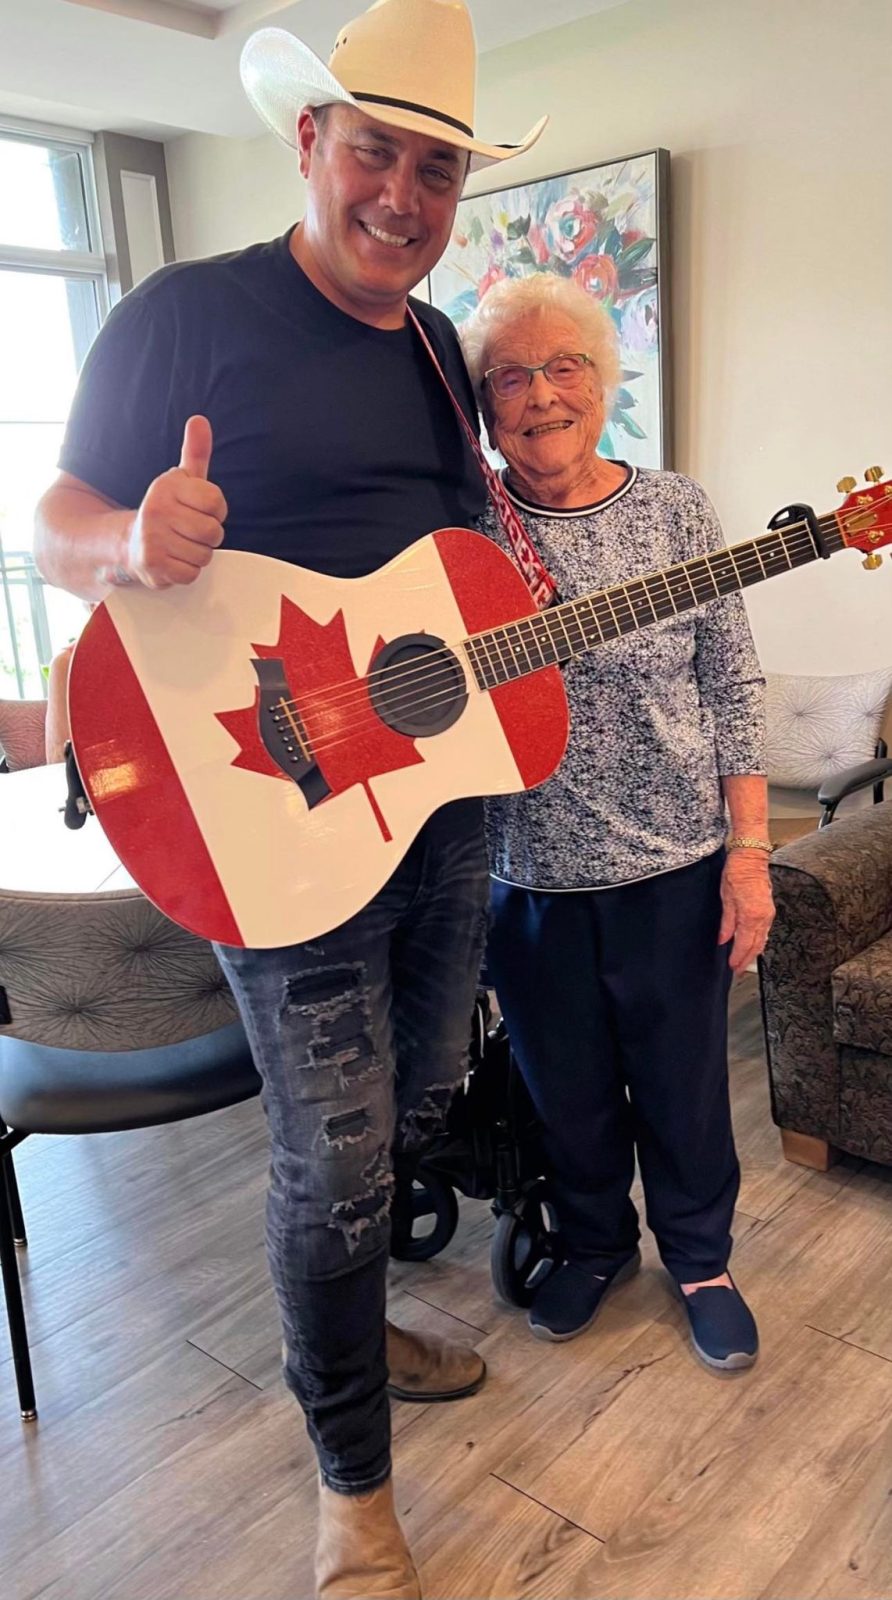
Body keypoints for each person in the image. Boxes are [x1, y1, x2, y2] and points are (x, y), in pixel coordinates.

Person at [32, 4, 546, 1595]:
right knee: (331, 1157)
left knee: (414, 1108)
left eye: (438, 170)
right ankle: (352, 1491)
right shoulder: (185, 316)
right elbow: (52, 521)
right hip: (272, 805)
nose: (404, 195)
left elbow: (441, 581)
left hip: (437, 800)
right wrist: (129, 544)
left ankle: (354, 1324)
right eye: (376, 152)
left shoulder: (438, 349)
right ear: (308, 143)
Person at [460, 274, 774, 1369]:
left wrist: (750, 856)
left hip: (673, 867)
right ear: (484, 406)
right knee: (567, 1092)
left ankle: (699, 1257)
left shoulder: (676, 511)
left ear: (603, 382)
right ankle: (592, 1242)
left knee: (684, 1090)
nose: (541, 396)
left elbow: (733, 686)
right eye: (511, 376)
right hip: (528, 873)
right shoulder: (461, 527)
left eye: (564, 368)